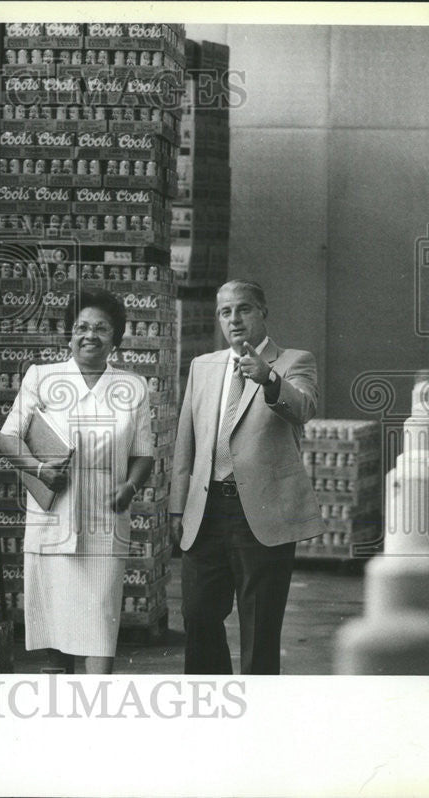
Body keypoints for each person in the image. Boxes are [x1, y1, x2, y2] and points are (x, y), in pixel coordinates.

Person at [169, 279, 325, 675]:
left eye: (244, 309)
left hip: (262, 513)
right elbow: (186, 444)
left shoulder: (294, 361)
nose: (234, 319)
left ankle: (258, 722)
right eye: (225, 312)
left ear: (262, 312)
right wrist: (177, 508)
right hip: (205, 511)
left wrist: (267, 378)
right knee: (198, 615)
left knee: (259, 629)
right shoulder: (202, 367)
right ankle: (209, 710)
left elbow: (303, 408)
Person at [0, 288, 154, 675]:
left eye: (101, 329)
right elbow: (8, 437)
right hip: (55, 513)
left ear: (115, 338)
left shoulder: (132, 387)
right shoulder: (43, 377)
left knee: (99, 625)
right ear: (69, 334)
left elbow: (144, 453)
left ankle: (95, 716)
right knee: (55, 635)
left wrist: (129, 488)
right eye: (82, 326)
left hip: (105, 517)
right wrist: (38, 470)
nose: (90, 335)